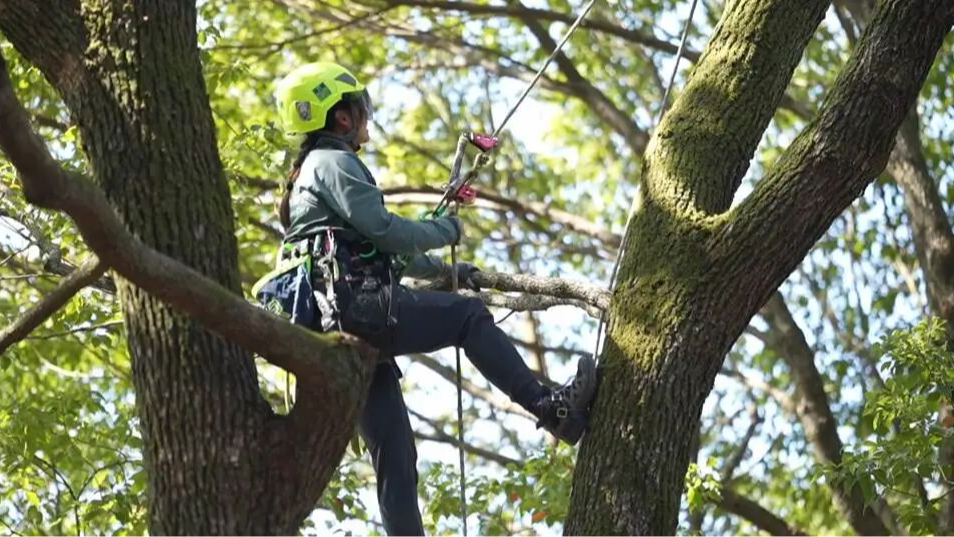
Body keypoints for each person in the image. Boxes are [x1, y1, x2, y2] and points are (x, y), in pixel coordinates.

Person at [266, 62, 597, 536]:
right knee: (467, 317)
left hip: (337, 327)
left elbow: (378, 249)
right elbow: (385, 231)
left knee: (395, 453)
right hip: (354, 309)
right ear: (341, 117)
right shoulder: (331, 163)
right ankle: (551, 409)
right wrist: (444, 230)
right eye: (359, 108)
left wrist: (446, 272)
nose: (365, 117)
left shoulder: (313, 173)